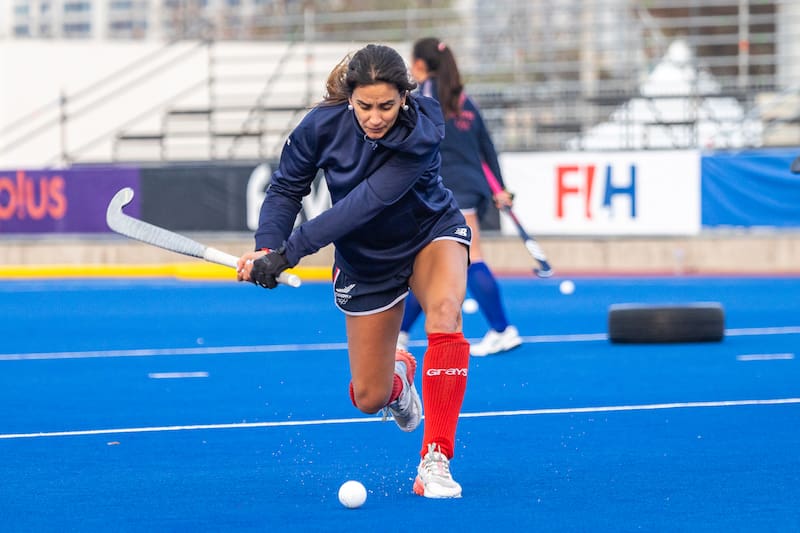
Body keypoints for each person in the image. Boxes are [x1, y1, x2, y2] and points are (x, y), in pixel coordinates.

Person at [237, 44, 470, 499]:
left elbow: (365, 204)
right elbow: (286, 188)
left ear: (404, 97)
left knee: (445, 312)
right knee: (368, 396)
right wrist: (266, 246)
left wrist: (287, 253)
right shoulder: (320, 126)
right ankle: (399, 381)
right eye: (365, 106)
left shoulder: (422, 128)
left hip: (429, 233)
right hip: (366, 259)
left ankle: (436, 459)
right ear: (349, 99)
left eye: (386, 106)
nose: (375, 118)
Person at [397, 37, 522, 357]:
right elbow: (486, 147)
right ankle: (401, 333)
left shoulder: (423, 98)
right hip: (468, 189)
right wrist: (499, 188)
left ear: (420, 65)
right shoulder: (465, 99)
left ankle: (502, 329)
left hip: (444, 190)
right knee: (432, 263)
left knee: (464, 258)